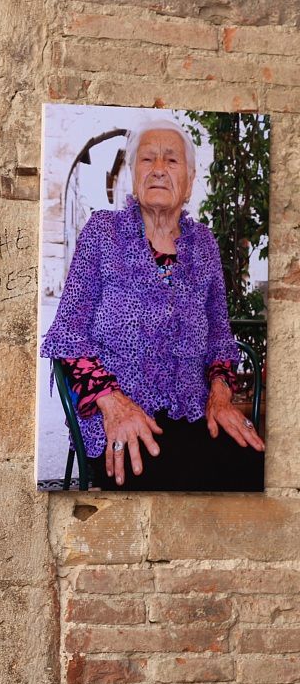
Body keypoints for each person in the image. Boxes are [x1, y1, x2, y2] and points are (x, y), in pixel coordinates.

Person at [42, 119, 264, 491]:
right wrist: (113, 405)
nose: (159, 168)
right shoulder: (102, 233)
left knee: (256, 472)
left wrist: (222, 397)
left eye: (171, 161)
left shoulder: (205, 245)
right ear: (133, 175)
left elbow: (221, 342)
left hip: (193, 414)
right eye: (148, 159)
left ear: (190, 181)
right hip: (118, 414)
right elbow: (67, 336)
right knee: (169, 484)